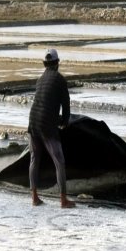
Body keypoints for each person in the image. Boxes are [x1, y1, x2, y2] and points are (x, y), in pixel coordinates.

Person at [28, 48, 75, 208]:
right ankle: (63, 200)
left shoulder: (39, 80)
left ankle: (34, 197)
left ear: (45, 64)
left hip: (33, 123)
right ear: (57, 63)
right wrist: (65, 122)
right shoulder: (60, 79)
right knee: (59, 161)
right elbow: (66, 105)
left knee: (34, 159)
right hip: (47, 125)